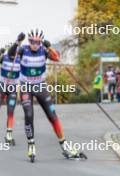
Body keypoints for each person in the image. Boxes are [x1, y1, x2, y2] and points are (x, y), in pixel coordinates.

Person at [8, 30, 85, 161]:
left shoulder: (44, 50)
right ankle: (31, 144)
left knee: (52, 115)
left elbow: (57, 58)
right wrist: (17, 41)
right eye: (32, 41)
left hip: (40, 86)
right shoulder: (23, 49)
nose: (34, 45)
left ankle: (64, 145)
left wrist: (49, 47)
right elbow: (10, 55)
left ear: (40, 42)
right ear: (29, 41)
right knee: (28, 114)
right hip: (26, 86)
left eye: (37, 42)